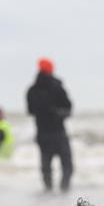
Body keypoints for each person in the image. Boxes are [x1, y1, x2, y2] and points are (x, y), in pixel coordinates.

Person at [26, 58, 74, 191]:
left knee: (46, 169)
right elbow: (68, 108)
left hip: (42, 135)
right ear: (50, 70)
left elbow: (30, 111)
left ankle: (48, 192)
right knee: (67, 166)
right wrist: (59, 114)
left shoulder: (32, 90)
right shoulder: (57, 87)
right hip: (59, 133)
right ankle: (64, 190)